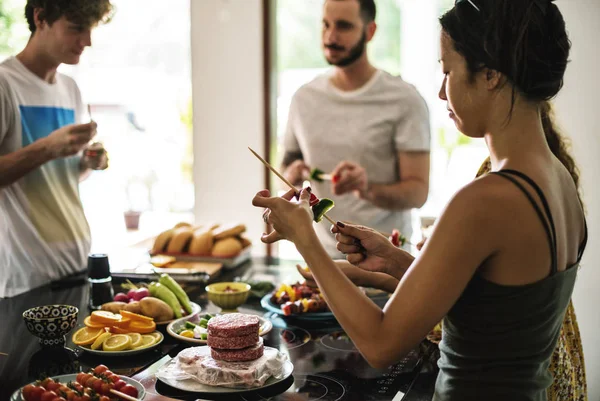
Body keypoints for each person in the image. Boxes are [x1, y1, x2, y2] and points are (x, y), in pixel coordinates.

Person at [253, 0, 587, 399]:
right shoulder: (560, 177)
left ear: (492, 76)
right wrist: (395, 264)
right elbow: (494, 311)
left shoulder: (487, 199)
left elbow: (380, 345)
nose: (441, 88)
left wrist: (305, 239)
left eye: (447, 69)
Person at [281, 0, 430, 257]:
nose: (330, 36)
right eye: (326, 24)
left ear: (370, 31)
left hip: (386, 265)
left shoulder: (404, 100)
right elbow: (285, 167)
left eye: (343, 26)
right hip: (320, 262)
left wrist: (367, 189)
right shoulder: (303, 98)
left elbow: (418, 193)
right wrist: (291, 175)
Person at [0, 0, 113, 298]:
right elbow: (45, 154)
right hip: (27, 276)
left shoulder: (70, 88)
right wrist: (48, 148)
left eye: (90, 30)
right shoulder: (4, 84)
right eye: (76, 28)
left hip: (76, 263)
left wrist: (88, 162)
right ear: (40, 18)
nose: (87, 41)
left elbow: (62, 177)